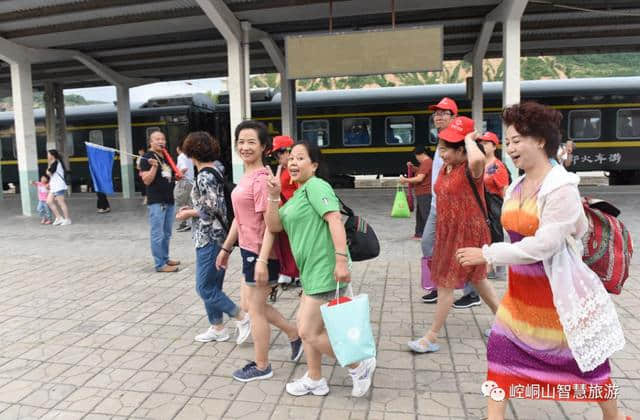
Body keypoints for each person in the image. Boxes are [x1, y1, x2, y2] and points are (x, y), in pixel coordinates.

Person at [456, 102, 627, 420]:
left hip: (558, 300)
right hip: (520, 298)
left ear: (541, 141)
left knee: (589, 368)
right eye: (508, 141)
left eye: (518, 139)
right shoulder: (516, 186)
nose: (511, 147)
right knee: (499, 353)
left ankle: (613, 418)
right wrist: (494, 254)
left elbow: (545, 246)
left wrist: (489, 254)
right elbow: (515, 237)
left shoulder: (561, 188)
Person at [264, 141, 377, 398]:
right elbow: (274, 225)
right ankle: (315, 378)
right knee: (310, 328)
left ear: (314, 165)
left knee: (307, 331)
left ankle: (359, 366)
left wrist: (340, 261)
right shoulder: (298, 194)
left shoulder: (316, 186)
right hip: (310, 271)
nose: (293, 162)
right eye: (291, 158)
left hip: (325, 269)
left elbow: (334, 219)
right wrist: (273, 194)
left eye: (300, 158)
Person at [215, 120, 302, 382]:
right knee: (253, 306)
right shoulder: (247, 177)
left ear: (264, 147)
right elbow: (239, 218)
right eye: (241, 141)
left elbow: (270, 226)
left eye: (251, 141)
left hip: (260, 253)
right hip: (249, 251)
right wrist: (226, 248)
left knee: (255, 309)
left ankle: (263, 365)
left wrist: (263, 260)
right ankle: (294, 335)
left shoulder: (263, 179)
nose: (245, 146)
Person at [408, 116, 500, 354]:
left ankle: (431, 336)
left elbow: (478, 157)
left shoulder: (472, 169)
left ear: (462, 151)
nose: (442, 154)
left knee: (447, 282)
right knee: (478, 280)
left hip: (469, 232)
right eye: (440, 149)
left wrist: (470, 139)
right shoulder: (447, 168)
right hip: (449, 231)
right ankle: (508, 325)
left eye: (447, 150)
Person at [175, 131, 251, 344]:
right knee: (213, 286)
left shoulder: (205, 175)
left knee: (204, 287)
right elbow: (211, 204)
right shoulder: (215, 170)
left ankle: (241, 317)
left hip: (209, 237)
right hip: (217, 236)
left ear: (192, 153)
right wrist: (192, 207)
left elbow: (212, 208)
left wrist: (189, 213)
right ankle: (217, 327)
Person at [453, 131, 509, 309]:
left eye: (487, 142)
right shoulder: (478, 164)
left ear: (494, 146)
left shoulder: (497, 167)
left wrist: (505, 214)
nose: (483, 145)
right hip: (479, 210)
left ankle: (485, 275)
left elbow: (504, 191)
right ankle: (485, 274)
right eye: (481, 142)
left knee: (490, 240)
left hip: (491, 209)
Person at [420, 97, 457, 303]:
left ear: (454, 116)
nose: (438, 116)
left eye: (444, 113)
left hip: (452, 206)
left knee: (459, 248)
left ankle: (472, 292)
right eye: (436, 113)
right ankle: (436, 285)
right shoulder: (441, 140)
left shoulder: (458, 142)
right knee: (428, 244)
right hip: (437, 204)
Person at [139, 131, 180, 273]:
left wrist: (177, 177)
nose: (161, 141)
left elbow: (167, 176)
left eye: (162, 139)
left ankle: (165, 258)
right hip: (157, 201)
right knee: (158, 233)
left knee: (167, 233)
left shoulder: (165, 156)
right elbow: (147, 180)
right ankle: (159, 264)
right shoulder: (146, 158)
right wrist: (154, 166)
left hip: (169, 199)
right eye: (157, 139)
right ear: (151, 142)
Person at [270, 135, 300, 287]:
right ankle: (288, 272)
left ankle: (296, 272)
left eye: (280, 152)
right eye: (277, 154)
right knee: (283, 243)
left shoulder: (295, 170)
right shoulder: (283, 170)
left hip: (293, 213)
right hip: (284, 213)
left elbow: (300, 192)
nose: (278, 157)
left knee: (293, 243)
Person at [399, 145, 433, 239]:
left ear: (420, 154)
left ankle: (430, 235)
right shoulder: (426, 163)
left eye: (416, 157)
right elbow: (420, 172)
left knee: (425, 214)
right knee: (420, 215)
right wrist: (412, 167)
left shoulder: (427, 162)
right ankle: (419, 233)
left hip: (425, 193)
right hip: (421, 193)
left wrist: (405, 180)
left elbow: (419, 178)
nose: (416, 159)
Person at [46, 149, 71, 226]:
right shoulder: (53, 163)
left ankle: (67, 219)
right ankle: (59, 218)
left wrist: (48, 169)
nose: (47, 155)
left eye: (48, 154)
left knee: (61, 203)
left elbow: (49, 173)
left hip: (58, 186)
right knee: (49, 201)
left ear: (52, 155)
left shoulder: (56, 163)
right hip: (54, 186)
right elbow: (53, 176)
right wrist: (49, 183)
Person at [174, 141, 195, 232]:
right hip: (190, 182)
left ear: (178, 149)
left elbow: (184, 168)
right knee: (189, 202)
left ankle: (185, 223)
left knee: (181, 202)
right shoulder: (189, 156)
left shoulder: (181, 156)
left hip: (184, 183)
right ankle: (190, 222)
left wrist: (178, 176)